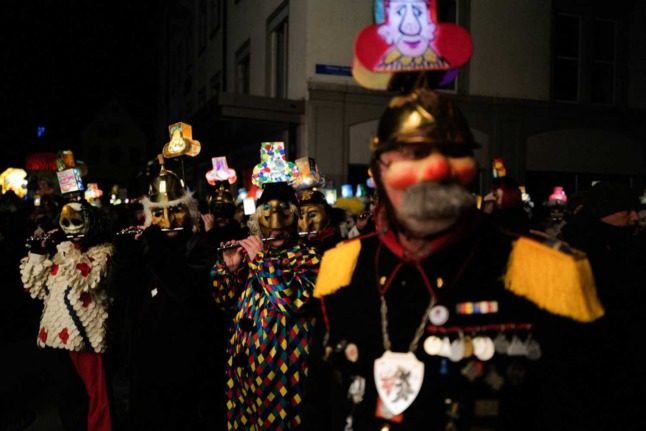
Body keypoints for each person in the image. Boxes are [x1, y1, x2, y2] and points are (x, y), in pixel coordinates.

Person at [305, 88, 605, 430]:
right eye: (413, 154)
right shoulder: (344, 265)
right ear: (378, 170)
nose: (435, 169)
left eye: (454, 152)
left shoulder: (548, 272)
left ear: (472, 168)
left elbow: (582, 407)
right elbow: (322, 403)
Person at [109, 157, 221, 430]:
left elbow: (187, 291)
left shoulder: (200, 248)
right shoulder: (144, 247)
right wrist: (124, 258)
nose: (168, 220)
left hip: (187, 368)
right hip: (146, 367)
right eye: (159, 213)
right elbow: (122, 298)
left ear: (190, 211)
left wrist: (156, 248)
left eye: (176, 211)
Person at [211, 180, 320, 430]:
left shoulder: (310, 258)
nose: (275, 227)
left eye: (283, 218)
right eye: (267, 216)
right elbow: (222, 300)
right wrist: (228, 269)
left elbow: (291, 301)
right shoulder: (254, 258)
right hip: (244, 381)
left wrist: (260, 260)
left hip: (283, 378)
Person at [20, 197, 114, 431]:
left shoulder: (103, 251)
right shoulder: (61, 253)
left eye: (77, 221)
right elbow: (35, 286)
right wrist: (38, 253)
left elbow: (87, 276)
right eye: (66, 222)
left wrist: (63, 248)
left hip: (86, 337)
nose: (71, 228)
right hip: (55, 336)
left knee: (97, 398)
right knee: (68, 399)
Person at [560, 181, 646, 430]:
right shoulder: (589, 249)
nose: (634, 218)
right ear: (605, 212)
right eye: (626, 211)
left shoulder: (614, 243)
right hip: (594, 360)